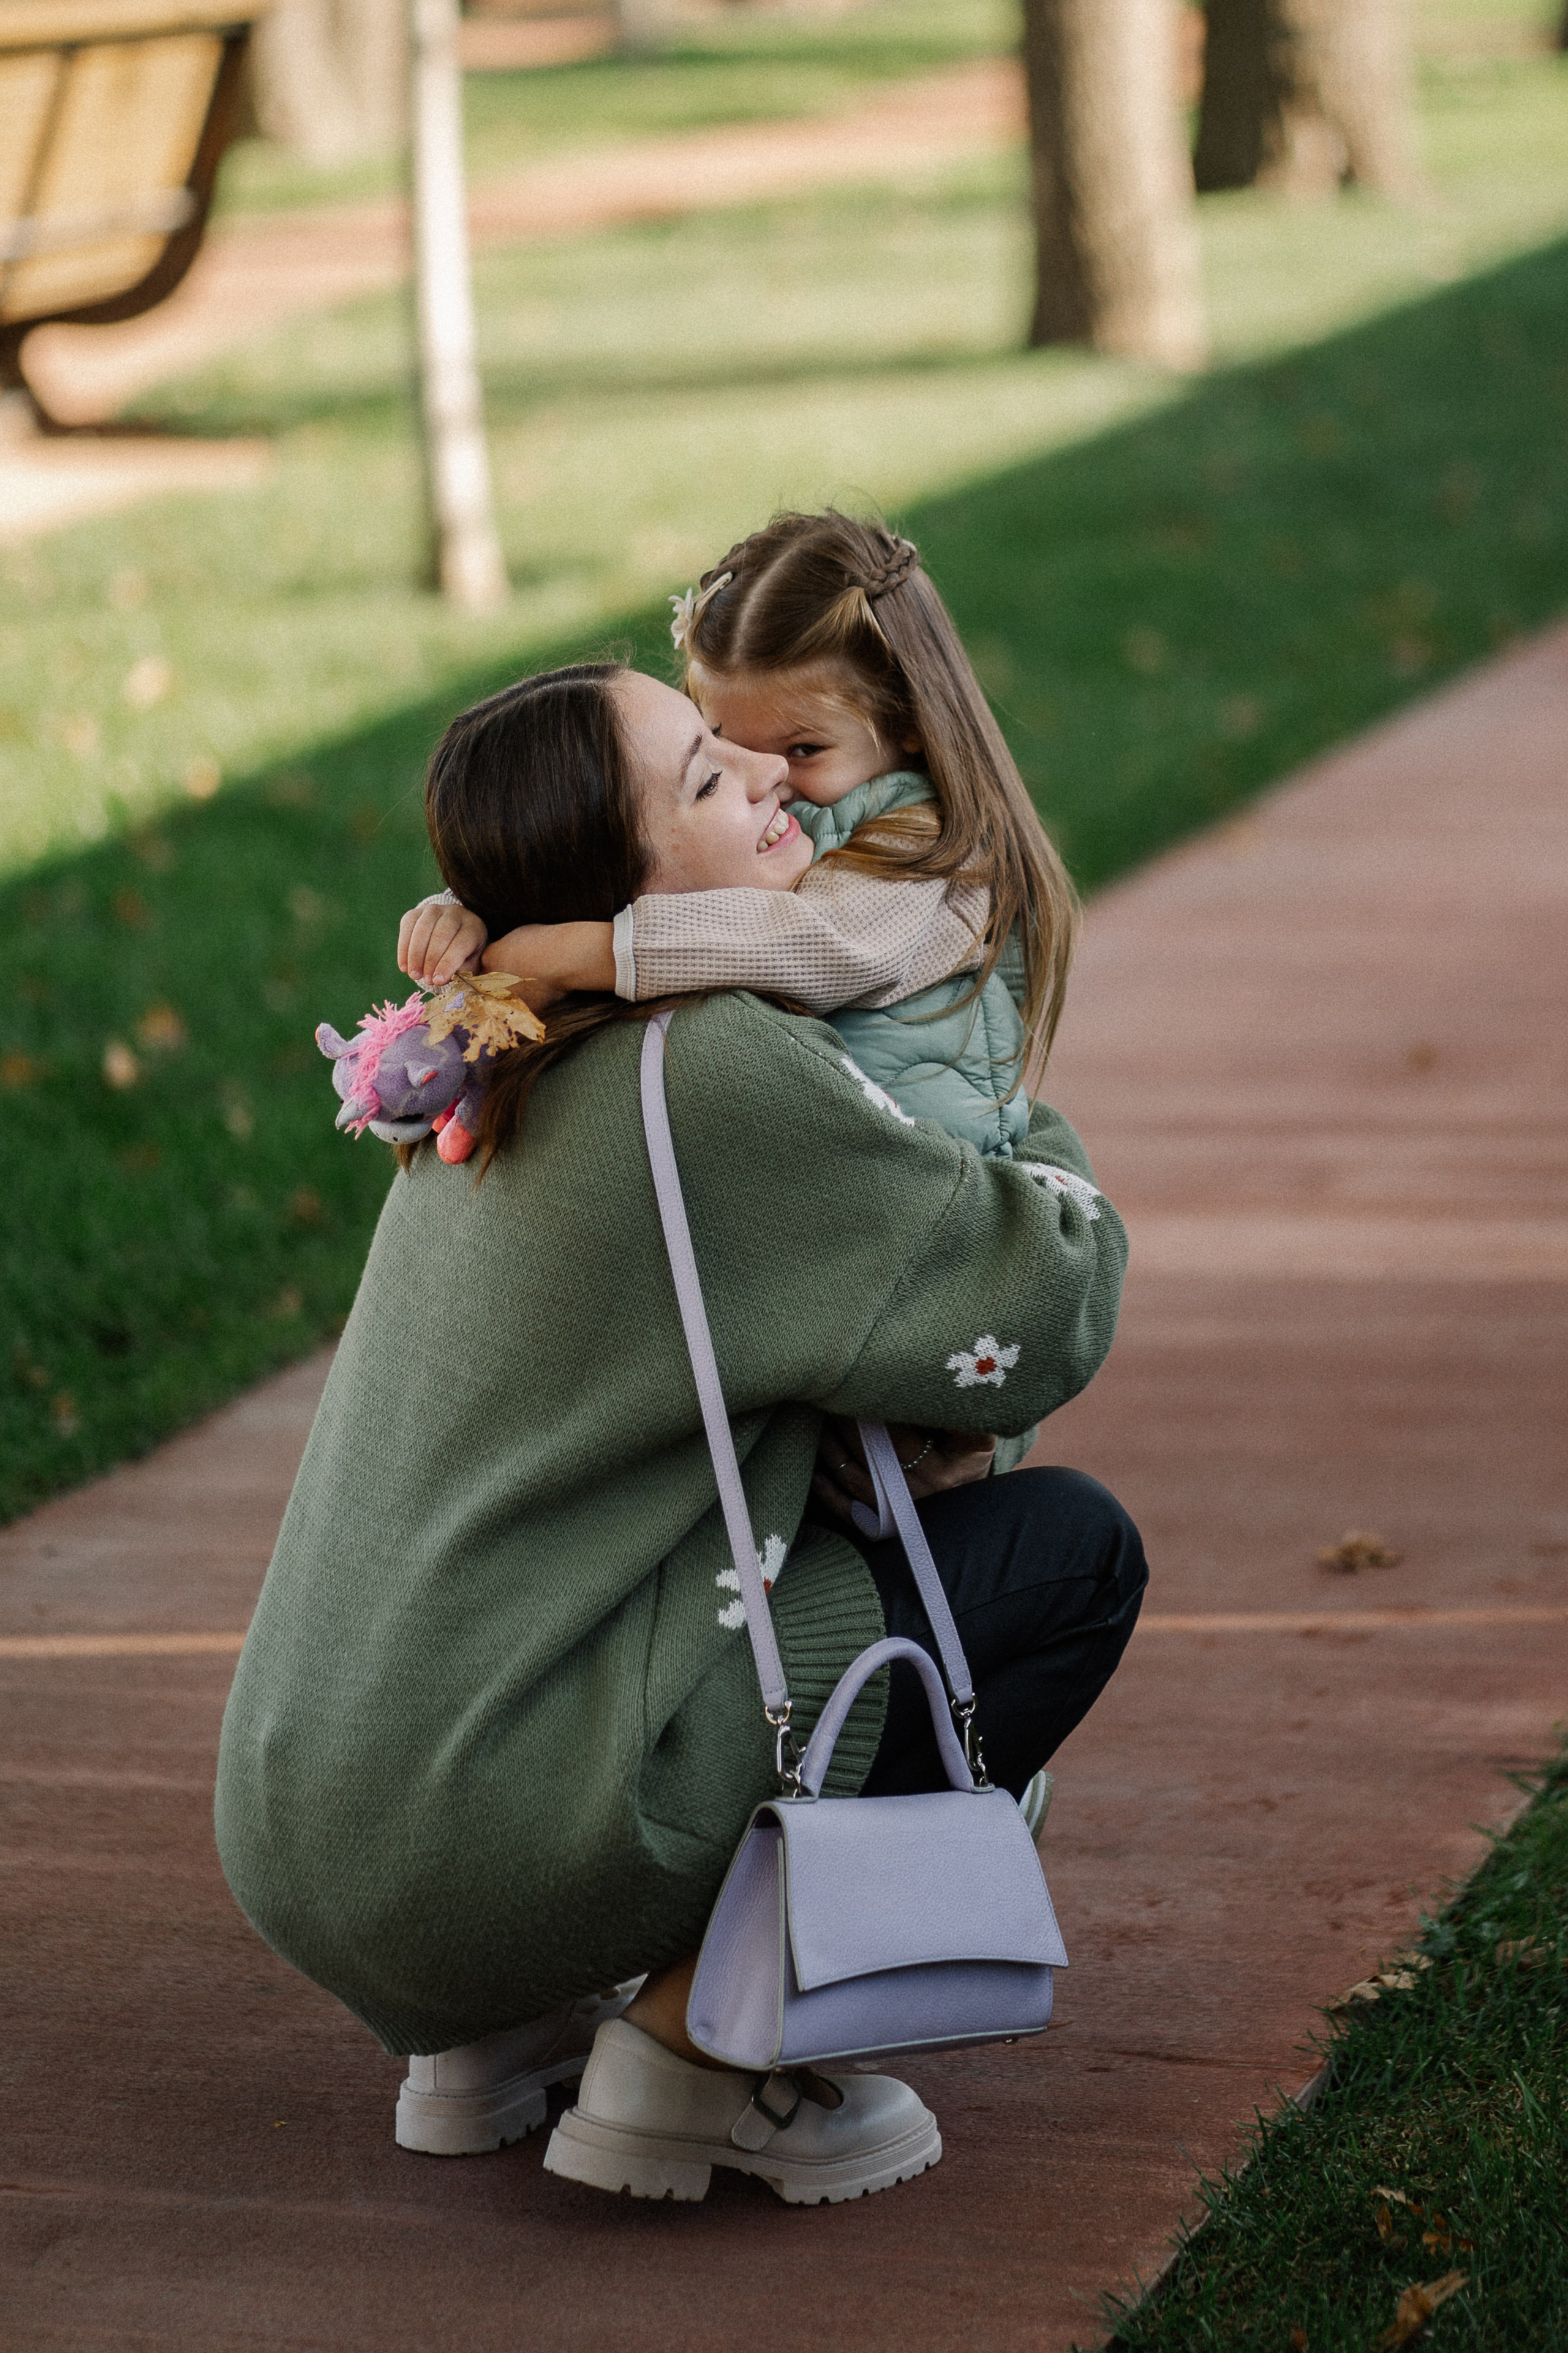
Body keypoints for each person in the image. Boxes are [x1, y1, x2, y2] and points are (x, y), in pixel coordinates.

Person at [216, 660, 1147, 2209]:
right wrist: (1003, 1110)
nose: (777, 778)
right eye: (709, 779)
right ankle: (697, 2059)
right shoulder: (710, 1067)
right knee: (1060, 1562)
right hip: (472, 1830)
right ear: (627, 887)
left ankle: (493, 2024)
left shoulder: (483, 1050)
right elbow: (1042, 1305)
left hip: (316, 1818)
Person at [398, 511, 1078, 1165]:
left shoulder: (927, 848)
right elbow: (601, 844)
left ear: (907, 725)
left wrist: (585, 951)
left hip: (939, 1191)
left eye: (805, 748)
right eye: (719, 746)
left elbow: (812, 940)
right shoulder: (810, 810)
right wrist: (479, 915)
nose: (770, 771)